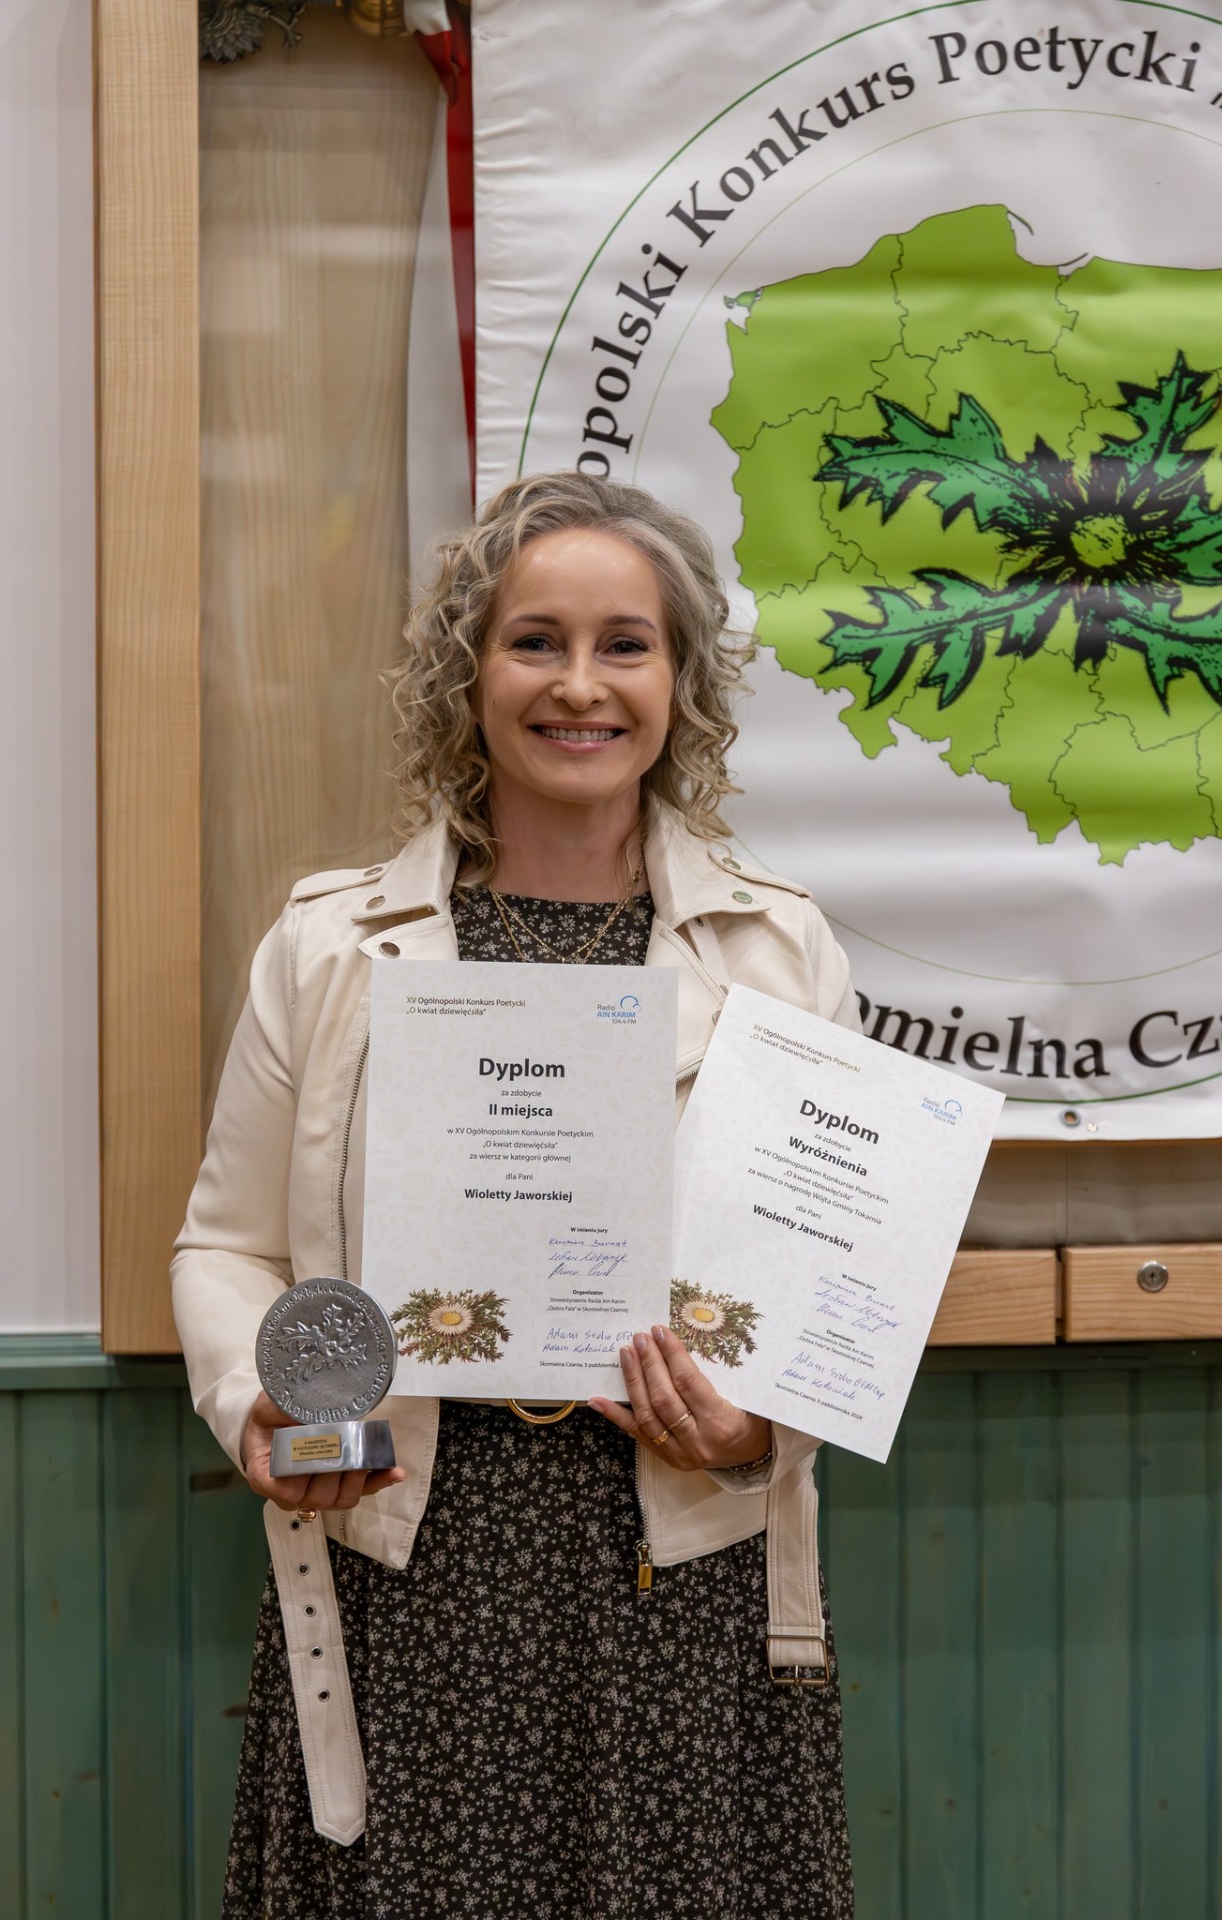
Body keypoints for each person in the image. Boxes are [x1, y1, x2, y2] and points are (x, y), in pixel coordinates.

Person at [172, 470, 857, 1920]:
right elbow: (225, 1244)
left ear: (681, 682)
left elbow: (825, 1284)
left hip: (679, 1573)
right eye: (534, 640)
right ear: (466, 674)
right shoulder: (329, 948)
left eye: (626, 645)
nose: (579, 685)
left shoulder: (781, 954)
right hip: (408, 1555)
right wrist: (257, 1406)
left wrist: (760, 1429)